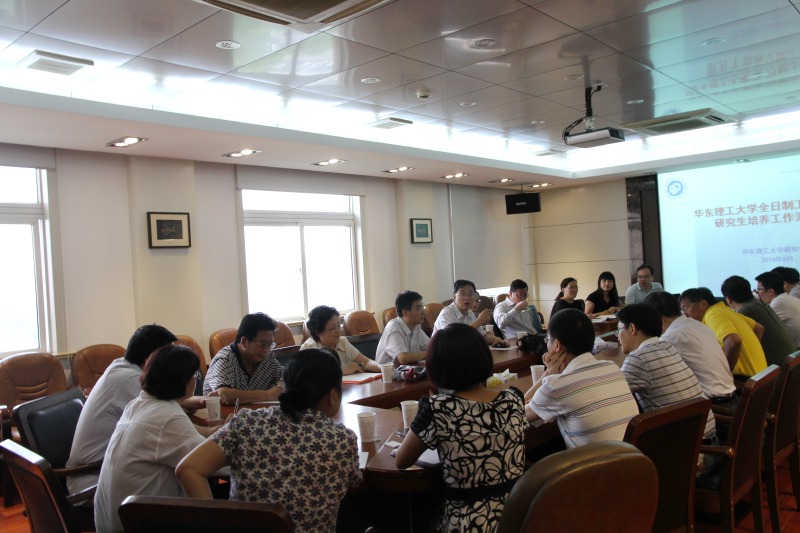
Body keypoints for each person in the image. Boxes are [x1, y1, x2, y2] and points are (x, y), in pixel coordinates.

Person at [178, 349, 361, 533]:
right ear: (333, 395)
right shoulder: (342, 440)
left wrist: (213, 525)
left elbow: (188, 469)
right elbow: (354, 484)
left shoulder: (246, 423)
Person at [395, 323, 525, 533]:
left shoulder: (438, 409)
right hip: (519, 517)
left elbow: (401, 460)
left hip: (469, 523)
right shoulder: (512, 399)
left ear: (437, 367)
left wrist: (427, 412)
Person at [94, 345, 212, 533]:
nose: (195, 381)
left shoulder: (137, 404)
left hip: (113, 521)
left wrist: (213, 431)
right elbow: (212, 463)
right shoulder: (167, 417)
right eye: (194, 376)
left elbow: (181, 434)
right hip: (137, 524)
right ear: (181, 380)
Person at [67, 324, 188, 495]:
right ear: (150, 358)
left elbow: (163, 406)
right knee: (183, 470)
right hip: (93, 478)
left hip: (108, 469)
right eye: (168, 356)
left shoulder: (121, 368)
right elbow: (165, 420)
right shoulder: (130, 379)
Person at [525, 309, 639, 448]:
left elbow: (516, 414)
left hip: (596, 462)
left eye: (548, 340)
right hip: (632, 457)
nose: (547, 345)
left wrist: (548, 373)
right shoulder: (612, 367)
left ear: (557, 346)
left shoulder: (557, 385)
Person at [616, 304, 716, 442]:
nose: (618, 337)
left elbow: (612, 395)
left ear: (632, 328)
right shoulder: (667, 347)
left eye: (619, 330)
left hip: (686, 447)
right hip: (706, 437)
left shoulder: (639, 359)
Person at [644, 292, 738, 409]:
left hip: (713, 407)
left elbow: (648, 367)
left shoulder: (672, 336)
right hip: (732, 400)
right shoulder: (698, 325)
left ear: (657, 318)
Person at [679, 288, 767, 377]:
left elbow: (733, 341)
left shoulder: (712, 315)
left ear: (703, 304)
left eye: (686, 308)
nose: (685, 314)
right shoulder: (725, 310)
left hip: (744, 378)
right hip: (761, 375)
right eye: (682, 310)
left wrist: (725, 373)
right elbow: (759, 328)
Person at [203, 312, 284, 404]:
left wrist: (280, 387)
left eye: (270, 344)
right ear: (244, 341)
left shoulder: (267, 356)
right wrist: (266, 395)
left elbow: (282, 377)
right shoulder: (224, 359)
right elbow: (223, 394)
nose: (266, 350)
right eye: (262, 344)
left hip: (255, 411)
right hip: (222, 412)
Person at [721, 275, 796, 365]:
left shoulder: (745, 312)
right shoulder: (759, 305)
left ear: (728, 299)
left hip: (777, 367)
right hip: (791, 362)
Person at [301, 305, 382, 374]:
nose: (338, 331)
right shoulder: (308, 349)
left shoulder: (343, 342)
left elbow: (366, 362)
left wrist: (381, 368)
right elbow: (310, 378)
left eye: (338, 325)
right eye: (332, 328)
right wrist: (342, 371)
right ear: (318, 332)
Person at [433, 280, 507, 346]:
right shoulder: (446, 313)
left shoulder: (470, 313)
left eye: (470, 294)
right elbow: (453, 339)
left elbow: (482, 335)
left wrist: (496, 339)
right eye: (463, 294)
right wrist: (479, 321)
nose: (467, 298)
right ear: (454, 297)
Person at [376, 290, 429, 365]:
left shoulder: (416, 326)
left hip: (408, 369)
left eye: (422, 307)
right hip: (388, 372)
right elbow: (403, 358)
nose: (423, 312)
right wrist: (429, 353)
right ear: (405, 313)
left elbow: (431, 346)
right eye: (419, 308)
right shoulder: (393, 327)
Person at [756, 271, 800, 347]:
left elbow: (761, 326)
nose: (757, 293)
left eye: (759, 289)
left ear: (770, 291)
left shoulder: (779, 302)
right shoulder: (786, 298)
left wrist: (755, 302)